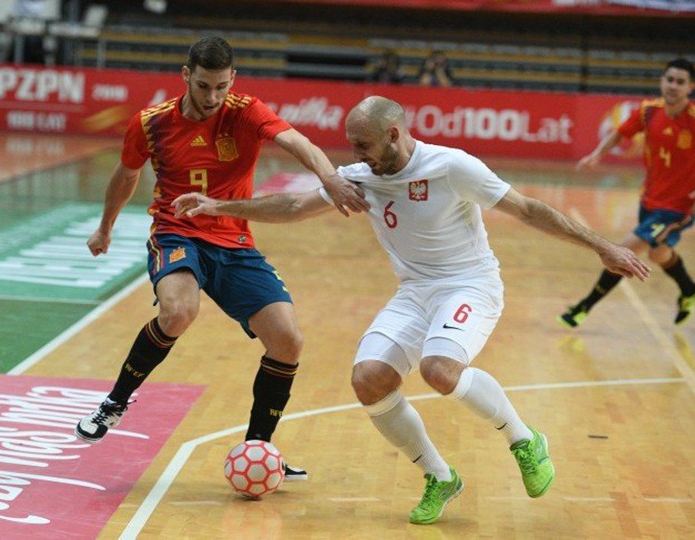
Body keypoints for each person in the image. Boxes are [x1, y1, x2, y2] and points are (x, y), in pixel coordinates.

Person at [172, 96, 650, 524]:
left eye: (362, 145)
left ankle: (525, 440)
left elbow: (527, 209)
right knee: (368, 380)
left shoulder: (451, 166)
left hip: (470, 285)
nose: (354, 156)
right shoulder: (360, 177)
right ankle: (440, 477)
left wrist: (601, 246)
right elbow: (295, 205)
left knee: (439, 370)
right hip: (416, 291)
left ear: (394, 135)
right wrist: (216, 206)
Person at [74, 36, 368, 480]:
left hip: (234, 241)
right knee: (179, 311)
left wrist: (332, 178)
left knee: (288, 340)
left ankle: (260, 449)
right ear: (186, 76)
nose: (213, 97)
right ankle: (115, 401)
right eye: (205, 86)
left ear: (233, 79)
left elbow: (299, 143)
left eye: (222, 87)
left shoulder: (245, 110)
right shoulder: (151, 123)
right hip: (177, 231)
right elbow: (127, 173)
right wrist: (105, 227)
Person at [560, 58, 695, 328]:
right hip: (650, 200)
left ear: (691, 87)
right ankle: (689, 290)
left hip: (679, 208)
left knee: (625, 250)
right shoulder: (648, 112)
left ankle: (583, 307)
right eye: (670, 80)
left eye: (680, 82)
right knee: (658, 254)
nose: (673, 86)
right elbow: (619, 133)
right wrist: (597, 155)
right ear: (662, 82)